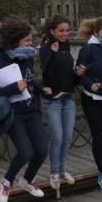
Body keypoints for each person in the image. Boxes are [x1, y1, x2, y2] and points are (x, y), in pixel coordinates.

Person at [0, 16, 49, 202]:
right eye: (26, 40)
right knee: (25, 152)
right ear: (15, 41)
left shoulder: (26, 59)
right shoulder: (1, 64)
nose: (30, 43)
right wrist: (14, 88)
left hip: (31, 110)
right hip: (14, 114)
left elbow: (29, 80)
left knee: (42, 149)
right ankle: (6, 181)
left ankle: (27, 180)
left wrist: (41, 89)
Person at [76, 17, 102, 193]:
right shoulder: (87, 49)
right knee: (98, 135)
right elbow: (79, 74)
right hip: (91, 98)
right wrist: (91, 84)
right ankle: (101, 173)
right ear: (95, 33)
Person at [39, 14, 78, 190]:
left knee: (67, 137)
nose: (65, 34)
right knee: (58, 137)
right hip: (53, 100)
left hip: (68, 97)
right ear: (52, 31)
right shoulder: (46, 48)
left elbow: (66, 72)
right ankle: (54, 173)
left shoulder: (66, 46)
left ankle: (63, 171)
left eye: (67, 30)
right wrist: (52, 54)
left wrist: (78, 73)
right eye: (61, 31)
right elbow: (45, 70)